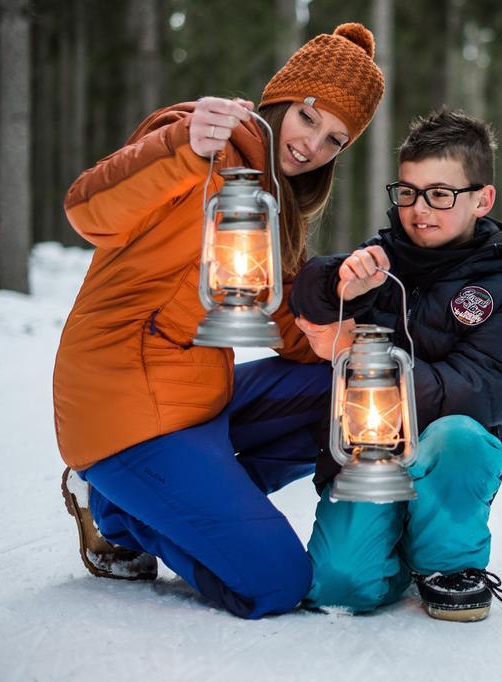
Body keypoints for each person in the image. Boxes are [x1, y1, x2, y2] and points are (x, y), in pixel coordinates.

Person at [54, 23, 384, 619]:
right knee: (277, 584)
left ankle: (160, 502)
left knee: (343, 390)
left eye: (336, 139)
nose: (313, 145)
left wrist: (344, 311)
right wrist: (184, 143)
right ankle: (119, 513)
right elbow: (87, 210)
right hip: (124, 410)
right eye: (309, 117)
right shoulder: (200, 142)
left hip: (196, 399)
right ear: (282, 97)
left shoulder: (275, 204)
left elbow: (288, 328)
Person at [290, 108, 502, 622]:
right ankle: (395, 552)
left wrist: (375, 371)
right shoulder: (384, 258)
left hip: (443, 453)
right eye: (408, 192)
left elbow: (490, 389)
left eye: (440, 194)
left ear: (481, 199)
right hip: (367, 453)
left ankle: (448, 562)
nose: (419, 209)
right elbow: (310, 290)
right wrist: (342, 283)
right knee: (339, 586)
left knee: (460, 436)